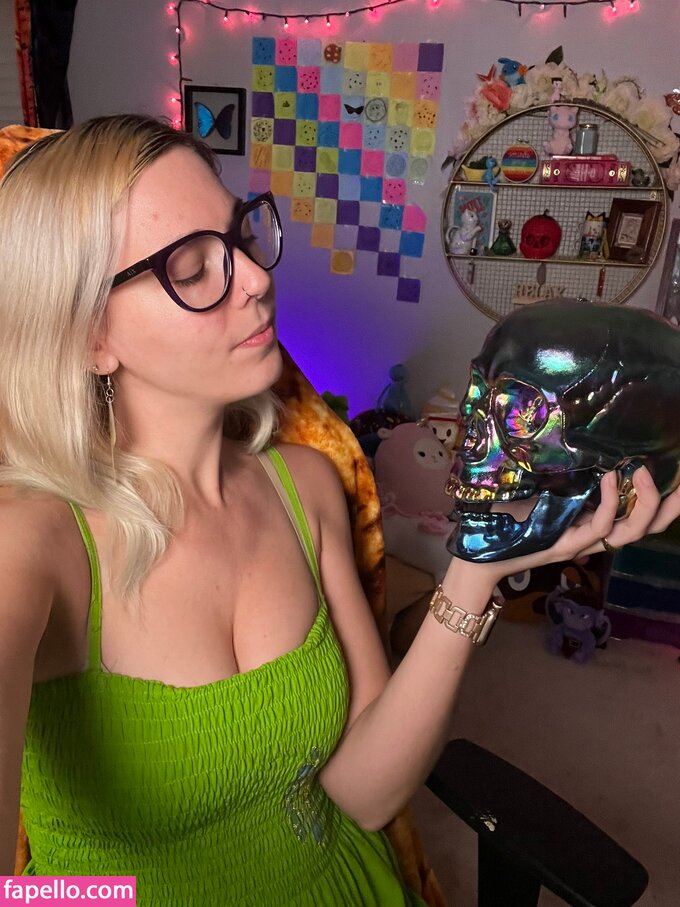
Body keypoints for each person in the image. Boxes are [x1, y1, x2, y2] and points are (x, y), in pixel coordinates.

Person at [0, 114, 678, 906]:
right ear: (89, 336)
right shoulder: (31, 542)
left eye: (240, 235)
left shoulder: (307, 486)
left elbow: (363, 793)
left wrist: (476, 570)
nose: (255, 279)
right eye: (191, 267)